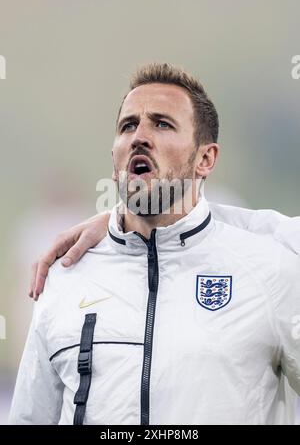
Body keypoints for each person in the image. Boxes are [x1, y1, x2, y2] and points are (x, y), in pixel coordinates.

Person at [10, 63, 300, 425]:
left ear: (205, 158)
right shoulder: (67, 278)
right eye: (128, 126)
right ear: (114, 161)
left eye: (162, 124)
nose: (139, 136)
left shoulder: (271, 272)